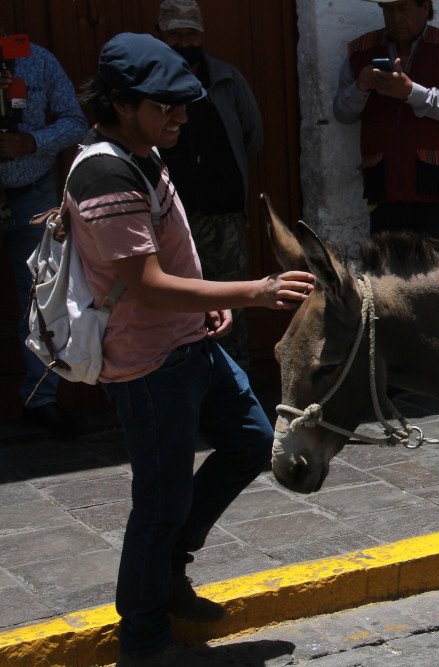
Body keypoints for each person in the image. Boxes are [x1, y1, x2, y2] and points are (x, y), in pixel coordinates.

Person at [69, 33, 313, 666]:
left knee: (253, 442)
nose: (181, 117)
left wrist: (208, 298)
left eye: (183, 104)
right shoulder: (104, 172)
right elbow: (147, 284)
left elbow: (169, 257)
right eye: (165, 107)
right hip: (148, 365)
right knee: (160, 500)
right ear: (122, 104)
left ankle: (170, 568)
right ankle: (144, 635)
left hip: (192, 345)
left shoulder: (146, 151)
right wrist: (255, 290)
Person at [155, 0, 264, 370]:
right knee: (179, 300)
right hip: (169, 215)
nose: (184, 43)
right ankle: (185, 376)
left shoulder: (226, 79)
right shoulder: (149, 83)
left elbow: (252, 136)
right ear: (161, 35)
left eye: (191, 35)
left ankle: (237, 378)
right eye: (175, 35)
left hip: (223, 214)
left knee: (232, 296)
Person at [333, 0, 439, 252]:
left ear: (425, 8)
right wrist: (361, 87)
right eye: (388, 10)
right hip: (385, 189)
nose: (395, 18)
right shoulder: (361, 51)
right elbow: (342, 113)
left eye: (403, 9)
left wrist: (412, 92)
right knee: (390, 282)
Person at [0, 30, 87, 437]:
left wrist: (33, 140)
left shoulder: (38, 60)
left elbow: (75, 122)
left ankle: (42, 399)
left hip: (31, 195)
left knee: (40, 297)